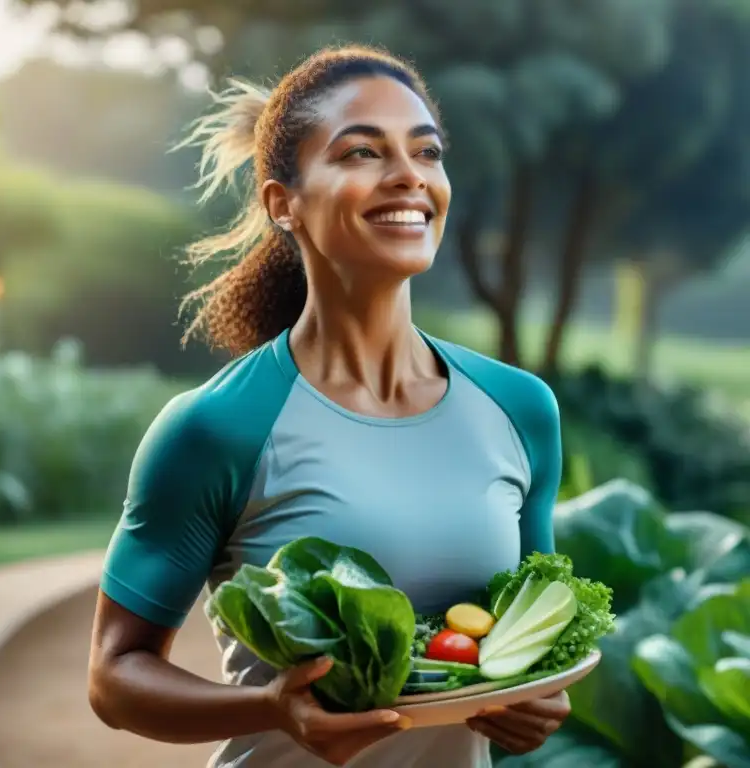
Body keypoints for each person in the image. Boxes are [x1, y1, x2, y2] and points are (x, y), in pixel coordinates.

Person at [87, 44, 570, 767]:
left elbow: (537, 627)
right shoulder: (217, 428)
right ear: (285, 204)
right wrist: (271, 709)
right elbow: (114, 677)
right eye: (362, 153)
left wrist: (540, 693)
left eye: (427, 151)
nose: (409, 175)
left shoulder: (519, 409)